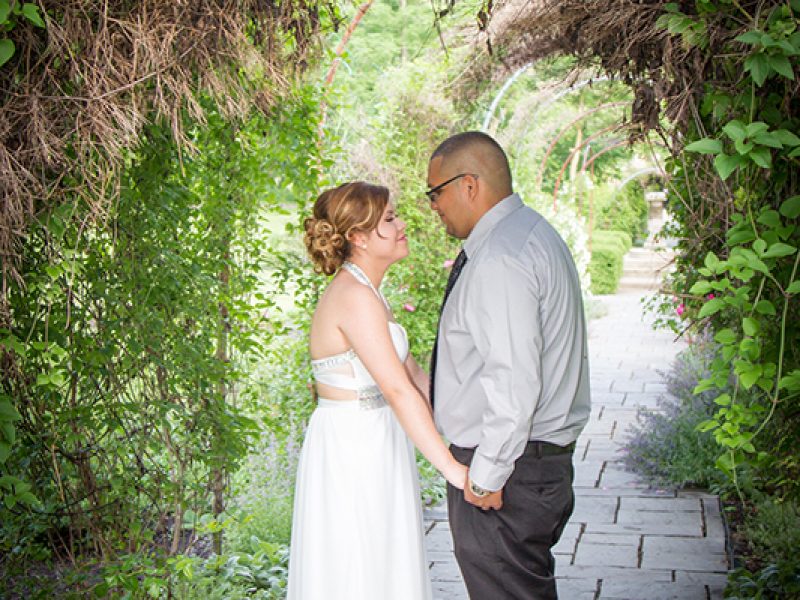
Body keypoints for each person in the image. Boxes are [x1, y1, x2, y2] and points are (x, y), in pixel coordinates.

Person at [426, 131, 591, 600]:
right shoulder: (532, 234)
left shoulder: (500, 258)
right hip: (535, 464)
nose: (434, 205)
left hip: (509, 472)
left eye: (436, 192)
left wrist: (486, 475)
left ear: (470, 185)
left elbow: (513, 378)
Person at [287, 181, 467, 600]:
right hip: (353, 446)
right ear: (358, 237)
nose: (402, 224)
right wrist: (453, 470)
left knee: (384, 561)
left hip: (377, 438)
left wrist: (464, 432)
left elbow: (415, 377)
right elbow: (398, 390)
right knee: (358, 564)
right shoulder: (354, 297)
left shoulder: (370, 293)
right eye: (389, 219)